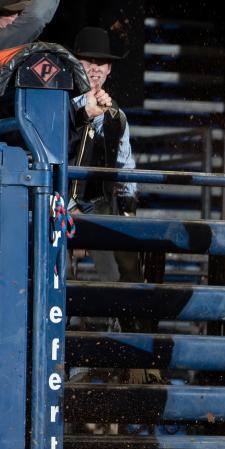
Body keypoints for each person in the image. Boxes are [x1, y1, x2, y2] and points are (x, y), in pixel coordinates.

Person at [68, 26, 139, 283]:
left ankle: (124, 318)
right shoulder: (59, 104)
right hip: (56, 203)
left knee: (125, 266)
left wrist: (128, 206)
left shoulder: (116, 117)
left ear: (109, 69)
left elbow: (125, 164)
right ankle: (64, 320)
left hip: (100, 203)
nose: (96, 68)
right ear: (75, 65)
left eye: (102, 63)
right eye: (89, 61)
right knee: (58, 274)